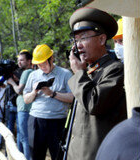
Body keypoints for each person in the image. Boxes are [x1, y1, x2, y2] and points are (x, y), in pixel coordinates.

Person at [66, 7, 127, 160]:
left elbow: (94, 104)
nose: (78, 45)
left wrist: (79, 73)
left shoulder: (115, 70)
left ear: (101, 39)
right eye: (76, 39)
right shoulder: (87, 71)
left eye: (84, 38)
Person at [23, 44, 74, 160]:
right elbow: (26, 100)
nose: (42, 67)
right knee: (36, 155)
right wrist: (34, 91)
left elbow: (73, 98)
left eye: (44, 63)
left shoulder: (65, 74)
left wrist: (52, 94)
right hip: (36, 120)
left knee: (58, 156)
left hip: (58, 121)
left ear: (51, 59)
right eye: (39, 65)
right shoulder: (33, 75)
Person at [7, 49, 33, 160]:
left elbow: (19, 90)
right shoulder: (33, 72)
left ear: (29, 61)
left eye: (22, 60)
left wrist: (11, 82)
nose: (19, 62)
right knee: (23, 137)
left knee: (24, 138)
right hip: (28, 108)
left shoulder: (27, 72)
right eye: (18, 60)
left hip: (24, 108)